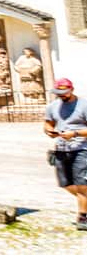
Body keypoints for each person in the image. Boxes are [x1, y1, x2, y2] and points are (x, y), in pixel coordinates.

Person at [44, 78, 87, 230]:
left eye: (64, 93)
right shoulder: (52, 106)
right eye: (58, 93)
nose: (61, 95)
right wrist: (49, 131)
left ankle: (83, 217)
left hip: (82, 148)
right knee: (66, 184)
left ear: (71, 90)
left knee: (82, 185)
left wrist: (75, 133)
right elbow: (48, 123)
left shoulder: (84, 105)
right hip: (61, 148)